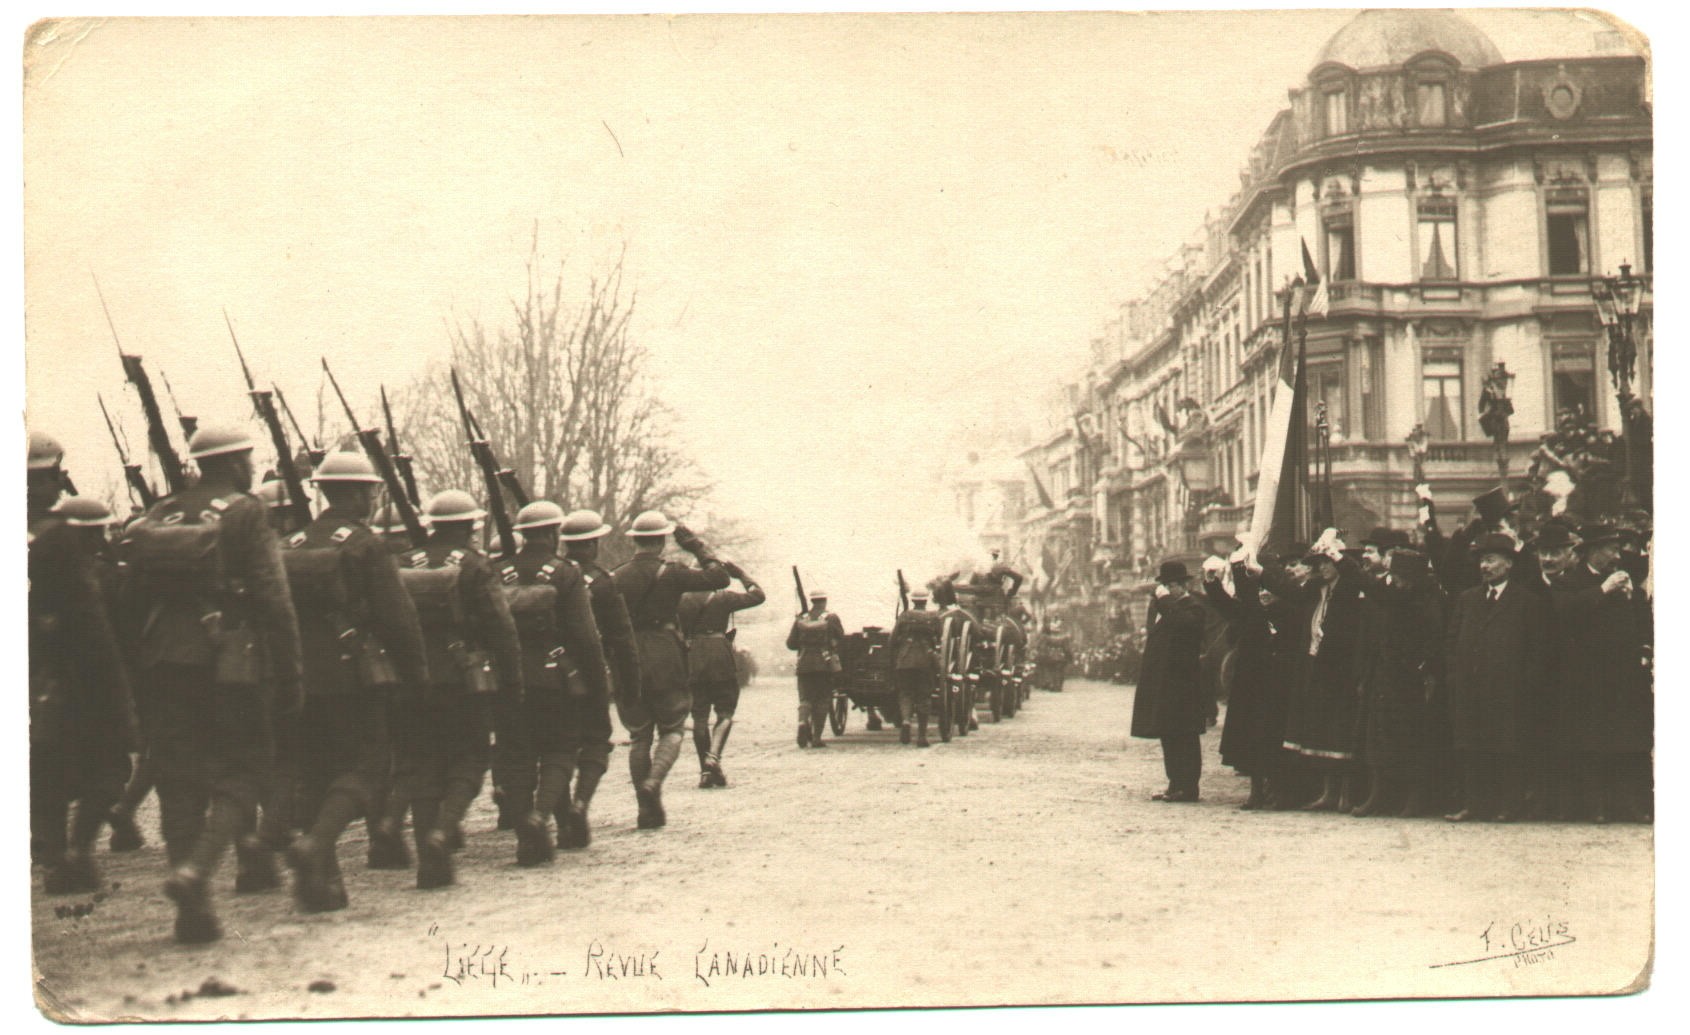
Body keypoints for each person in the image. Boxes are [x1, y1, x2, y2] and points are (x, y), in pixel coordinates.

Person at [113, 424, 303, 943]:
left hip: (162, 660)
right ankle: (196, 868)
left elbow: (128, 603)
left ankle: (191, 908)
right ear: (238, 463)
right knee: (243, 771)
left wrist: (138, 674)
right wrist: (289, 674)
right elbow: (273, 597)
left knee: (178, 782)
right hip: (230, 660)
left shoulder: (157, 514)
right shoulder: (246, 510)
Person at [274, 452, 430, 911]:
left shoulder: (291, 541)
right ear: (361, 492)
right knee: (366, 768)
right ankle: (315, 846)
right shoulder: (365, 543)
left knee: (314, 774)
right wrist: (416, 678)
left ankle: (323, 885)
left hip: (298, 671)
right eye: (371, 489)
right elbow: (397, 619)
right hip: (351, 673)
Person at [391, 489, 523, 888]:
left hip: (411, 677)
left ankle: (430, 866)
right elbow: (501, 628)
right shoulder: (475, 565)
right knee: (471, 758)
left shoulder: (402, 562)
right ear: (469, 526)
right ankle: (442, 832)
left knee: (422, 765)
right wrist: (511, 682)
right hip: (463, 676)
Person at [29, 441, 138, 895]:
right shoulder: (77, 568)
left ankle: (52, 851)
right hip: (86, 687)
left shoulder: (43, 561)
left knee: (48, 769)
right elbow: (103, 645)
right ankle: (74, 854)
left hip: (44, 685)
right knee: (110, 769)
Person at [486, 500, 612, 864]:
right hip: (554, 676)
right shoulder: (565, 572)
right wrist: (595, 683)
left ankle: (528, 833)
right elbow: (585, 636)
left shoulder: (497, 569)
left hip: (506, 677)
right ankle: (539, 816)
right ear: (554, 532)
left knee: (517, 754)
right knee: (559, 750)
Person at [612, 511, 730, 828]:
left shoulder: (615, 576)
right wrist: (696, 547)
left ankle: (645, 809)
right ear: (662, 541)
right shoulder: (673, 573)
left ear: (635, 540)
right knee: (673, 729)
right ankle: (654, 782)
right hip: (665, 653)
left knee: (639, 737)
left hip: (627, 655)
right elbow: (720, 577)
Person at [1443, 532, 1551, 822]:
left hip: (1508, 690)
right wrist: (1455, 676)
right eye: (1481, 561)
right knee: (1471, 748)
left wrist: (1525, 685)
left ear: (1508, 564)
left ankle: (1509, 806)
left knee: (1507, 748)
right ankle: (1473, 804)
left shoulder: (1526, 601)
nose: (1484, 567)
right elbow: (1452, 641)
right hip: (1470, 689)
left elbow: (1535, 648)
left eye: (1490, 560)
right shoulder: (1468, 599)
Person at [1549, 525, 1653, 823]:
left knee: (1625, 741)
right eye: (1611, 549)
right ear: (1594, 551)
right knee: (1591, 743)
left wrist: (1643, 643)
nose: (1617, 554)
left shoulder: (1624, 581)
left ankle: (1628, 804)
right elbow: (1565, 612)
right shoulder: (1568, 582)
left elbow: (1640, 619)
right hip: (1586, 679)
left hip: (1622, 676)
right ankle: (1596, 806)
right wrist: (1602, 590)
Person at [559, 509, 638, 848]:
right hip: (590, 673)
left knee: (556, 747)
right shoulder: (603, 581)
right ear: (591, 545)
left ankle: (563, 820)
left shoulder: (552, 575)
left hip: (548, 675)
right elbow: (621, 638)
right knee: (595, 742)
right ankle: (580, 805)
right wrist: (630, 687)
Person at [1351, 547, 1447, 818]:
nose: (1396, 582)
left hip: (1412, 679)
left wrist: (1424, 669)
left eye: (1401, 578)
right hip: (1386, 673)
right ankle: (1379, 794)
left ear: (1413, 579)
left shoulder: (1423, 599)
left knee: (1411, 739)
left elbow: (1434, 640)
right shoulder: (1399, 596)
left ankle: (1413, 798)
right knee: (1380, 735)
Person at [1281, 530, 1365, 812]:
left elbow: (1354, 577)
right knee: (1323, 733)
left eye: (1328, 562)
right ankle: (1328, 791)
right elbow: (1288, 590)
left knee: (1343, 733)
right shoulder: (1316, 590)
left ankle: (1346, 794)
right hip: (1317, 665)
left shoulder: (1350, 588)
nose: (1324, 568)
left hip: (1342, 668)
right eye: (1321, 563)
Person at [678, 561, 766, 787]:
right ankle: (713, 758)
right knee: (725, 711)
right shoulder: (724, 597)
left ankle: (704, 773)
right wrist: (740, 573)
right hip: (720, 655)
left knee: (699, 715)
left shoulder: (681, 599)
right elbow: (758, 595)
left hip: (693, 657)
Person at [1130, 560, 1208, 803]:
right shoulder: (1162, 608)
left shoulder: (1193, 606)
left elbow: (1184, 625)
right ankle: (1175, 783)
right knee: (1168, 734)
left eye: (1173, 584)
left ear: (1184, 585)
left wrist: (1165, 601)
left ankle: (1188, 786)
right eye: (1165, 585)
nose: (1168, 589)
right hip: (1164, 681)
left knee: (1185, 735)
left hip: (1183, 681)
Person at [787, 589, 846, 748]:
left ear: (812, 601)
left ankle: (802, 723)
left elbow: (790, 644)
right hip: (824, 664)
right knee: (822, 700)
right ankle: (817, 739)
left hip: (804, 663)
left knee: (805, 698)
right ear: (825, 600)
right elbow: (841, 638)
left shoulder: (801, 618)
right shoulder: (831, 618)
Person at [886, 590, 943, 746]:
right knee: (924, 697)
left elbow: (892, 640)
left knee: (905, 693)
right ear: (925, 602)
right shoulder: (934, 617)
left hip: (905, 661)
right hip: (925, 662)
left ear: (913, 601)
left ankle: (905, 721)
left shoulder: (904, 616)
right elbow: (940, 638)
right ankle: (921, 737)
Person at [1036, 617, 1074, 692]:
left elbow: (1042, 647)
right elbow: (1067, 649)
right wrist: (1070, 657)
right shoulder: (1064, 638)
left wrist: (1044, 655)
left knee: (1051, 671)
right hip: (1061, 657)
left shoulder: (1046, 638)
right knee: (1060, 671)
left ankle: (1052, 684)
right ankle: (1058, 686)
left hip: (1050, 656)